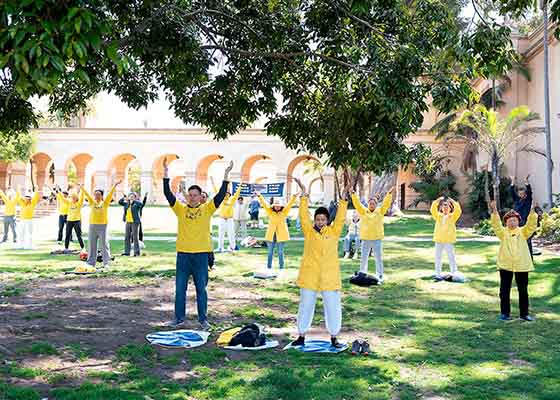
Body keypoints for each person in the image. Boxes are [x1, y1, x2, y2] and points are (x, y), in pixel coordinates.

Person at [163, 157, 231, 329]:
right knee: (180, 290)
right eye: (190, 195)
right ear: (187, 196)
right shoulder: (180, 209)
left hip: (201, 255)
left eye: (196, 195)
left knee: (201, 289)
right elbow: (167, 194)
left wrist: (225, 176)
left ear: (201, 197)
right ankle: (179, 318)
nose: (192, 198)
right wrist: (165, 173)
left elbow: (221, 195)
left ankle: (203, 319)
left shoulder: (207, 209)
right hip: (183, 255)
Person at [290, 177, 349, 348]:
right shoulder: (309, 231)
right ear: (315, 220)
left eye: (323, 219)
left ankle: (334, 337)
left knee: (333, 307)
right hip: (310, 276)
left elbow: (340, 218)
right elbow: (303, 216)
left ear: (327, 220)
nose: (320, 221)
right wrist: (304, 195)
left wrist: (344, 200)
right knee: (305, 306)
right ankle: (301, 335)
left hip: (330, 277)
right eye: (318, 219)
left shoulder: (334, 231)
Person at [490, 200, 538, 322]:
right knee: (504, 291)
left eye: (515, 220)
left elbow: (531, 225)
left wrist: (532, 211)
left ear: (518, 221)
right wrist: (495, 212)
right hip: (505, 266)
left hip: (522, 266)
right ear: (506, 222)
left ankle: (524, 314)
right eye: (509, 220)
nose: (512, 222)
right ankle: (505, 313)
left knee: (523, 291)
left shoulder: (523, 232)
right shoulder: (503, 233)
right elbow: (496, 225)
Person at [351, 187, 394, 283]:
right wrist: (353, 194)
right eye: (370, 203)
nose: (371, 205)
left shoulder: (380, 211)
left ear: (376, 204)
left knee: (378, 258)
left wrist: (389, 194)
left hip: (376, 239)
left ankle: (380, 275)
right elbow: (357, 204)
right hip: (366, 239)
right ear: (368, 204)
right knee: (363, 258)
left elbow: (386, 204)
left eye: (373, 203)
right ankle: (362, 273)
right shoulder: (363, 211)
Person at [82, 181, 120, 268]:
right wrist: (82, 188)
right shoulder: (92, 202)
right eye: (95, 194)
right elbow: (87, 195)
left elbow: (110, 195)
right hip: (92, 226)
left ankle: (106, 263)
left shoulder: (105, 203)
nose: (97, 196)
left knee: (104, 244)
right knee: (92, 245)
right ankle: (91, 263)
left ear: (102, 196)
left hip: (103, 226)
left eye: (99, 194)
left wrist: (114, 185)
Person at [257, 193, 297, 271]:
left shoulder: (284, 212)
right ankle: (269, 267)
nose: (277, 207)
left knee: (280, 252)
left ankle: (281, 268)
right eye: (276, 205)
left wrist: (294, 196)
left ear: (281, 206)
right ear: (273, 206)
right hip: (271, 235)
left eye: (278, 205)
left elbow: (290, 204)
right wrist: (259, 196)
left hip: (281, 235)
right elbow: (264, 204)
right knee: (270, 253)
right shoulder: (270, 212)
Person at [430, 196, 462, 279]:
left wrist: (452, 201)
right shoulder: (438, 216)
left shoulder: (452, 217)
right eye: (444, 205)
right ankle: (438, 274)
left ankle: (454, 273)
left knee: (451, 257)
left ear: (450, 208)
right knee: (438, 257)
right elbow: (432, 209)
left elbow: (458, 210)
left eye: (447, 206)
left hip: (448, 240)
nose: (445, 207)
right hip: (439, 240)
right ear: (441, 208)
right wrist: (437, 200)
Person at [510, 175, 535, 258]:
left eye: (523, 194)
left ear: (525, 194)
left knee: (528, 241)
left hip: (526, 223)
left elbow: (529, 191)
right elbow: (511, 192)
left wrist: (526, 181)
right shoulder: (517, 201)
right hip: (517, 224)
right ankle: (519, 258)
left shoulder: (528, 200)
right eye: (520, 194)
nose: (521, 195)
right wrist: (513, 181)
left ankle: (530, 259)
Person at [216, 183, 243, 252]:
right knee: (221, 233)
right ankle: (220, 247)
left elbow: (237, 194)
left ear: (229, 194)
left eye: (227, 193)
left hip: (230, 219)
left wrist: (240, 186)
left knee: (231, 233)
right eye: (225, 193)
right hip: (222, 219)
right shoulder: (221, 199)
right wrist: (212, 181)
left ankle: (232, 247)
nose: (226, 195)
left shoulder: (232, 200)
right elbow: (216, 191)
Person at [119, 192, 145, 257]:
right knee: (127, 237)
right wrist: (124, 198)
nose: (131, 197)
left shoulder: (136, 204)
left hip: (135, 222)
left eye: (133, 196)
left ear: (135, 197)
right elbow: (120, 202)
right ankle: (127, 252)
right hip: (128, 222)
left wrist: (134, 201)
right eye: (130, 196)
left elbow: (141, 204)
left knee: (135, 237)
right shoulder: (126, 204)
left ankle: (136, 252)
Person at [62, 187, 85, 252]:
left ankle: (83, 248)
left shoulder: (79, 203)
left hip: (77, 221)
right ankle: (66, 248)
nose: (73, 198)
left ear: (77, 198)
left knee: (79, 235)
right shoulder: (69, 203)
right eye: (72, 197)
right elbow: (62, 199)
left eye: (74, 197)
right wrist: (59, 193)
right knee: (67, 235)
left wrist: (82, 189)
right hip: (69, 221)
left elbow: (82, 197)